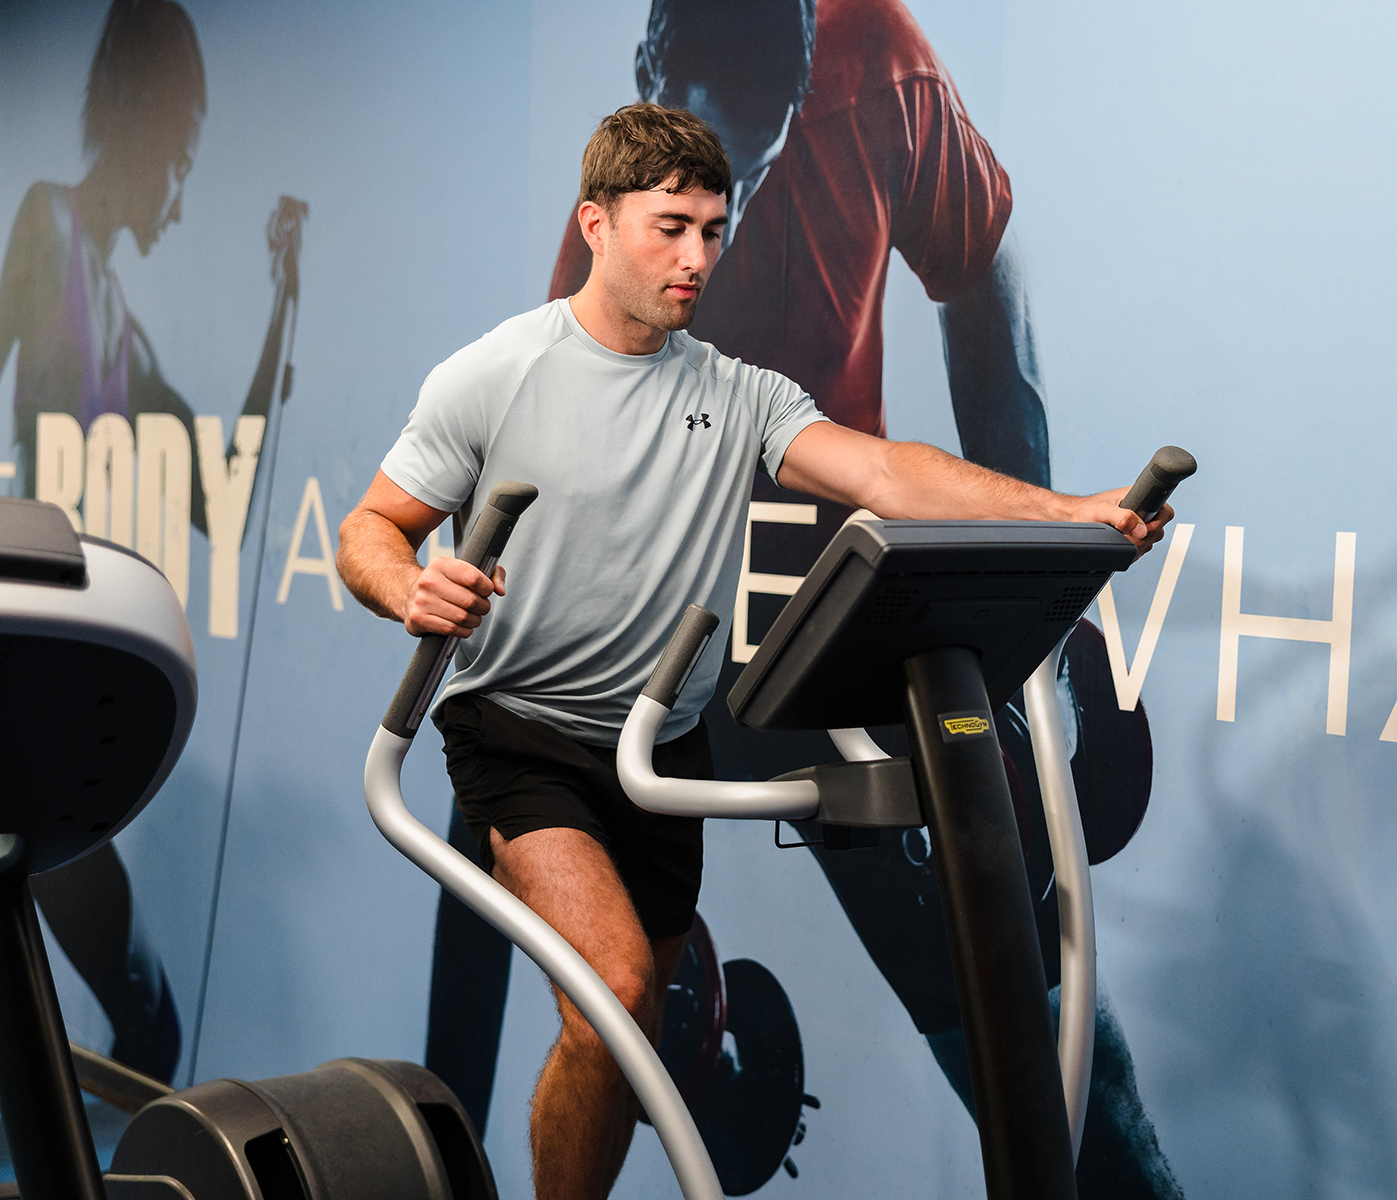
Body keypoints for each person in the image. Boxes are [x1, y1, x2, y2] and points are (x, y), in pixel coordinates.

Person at [337, 103, 1169, 1200]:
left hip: (662, 744)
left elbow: (886, 474)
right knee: (619, 996)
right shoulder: (496, 375)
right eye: (669, 227)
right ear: (595, 223)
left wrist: (1065, 514)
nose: (697, 259)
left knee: (628, 1033)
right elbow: (369, 528)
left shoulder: (734, 394)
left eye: (714, 231)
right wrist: (408, 582)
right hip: (524, 733)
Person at [0, 0, 302, 1084]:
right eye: (179, 155)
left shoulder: (128, 334)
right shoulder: (47, 224)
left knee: (149, 1030)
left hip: (43, 709)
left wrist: (283, 308)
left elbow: (224, 493)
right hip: (16, 689)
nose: (183, 190)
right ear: (134, 126)